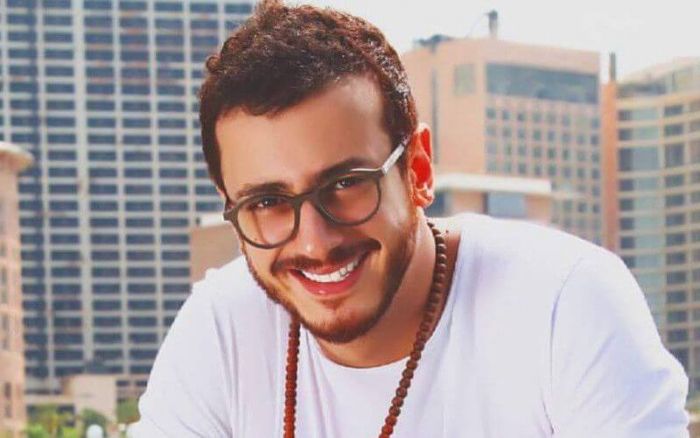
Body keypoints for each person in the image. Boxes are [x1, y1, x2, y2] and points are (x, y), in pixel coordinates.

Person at [132, 1, 690, 436]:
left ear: (417, 170)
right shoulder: (221, 328)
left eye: (346, 184)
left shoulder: (563, 302)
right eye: (267, 203)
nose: (315, 241)